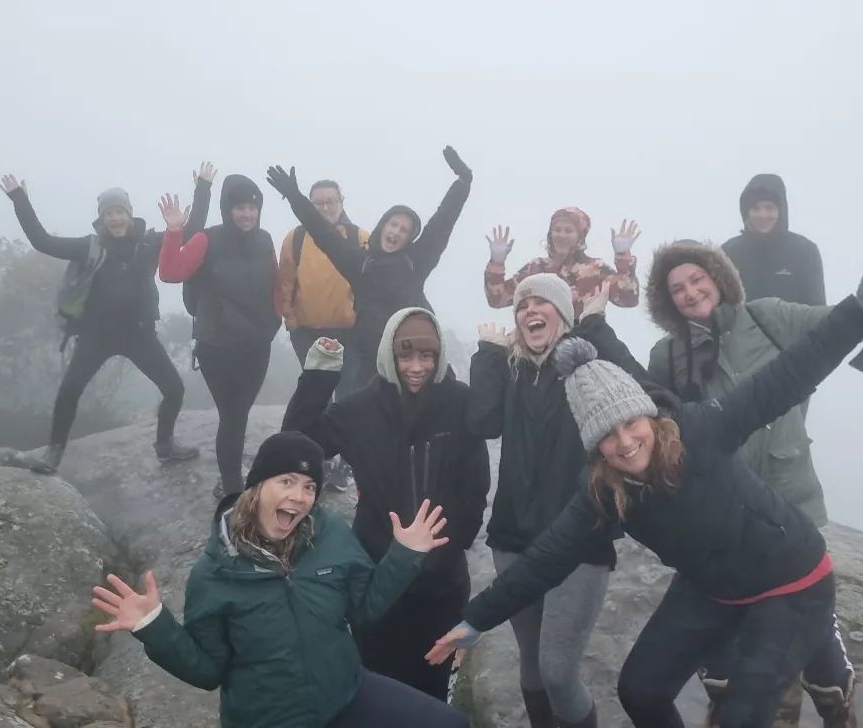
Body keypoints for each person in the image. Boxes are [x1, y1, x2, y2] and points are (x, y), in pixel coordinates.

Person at [430, 230, 863, 728]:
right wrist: (474, 620)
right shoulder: (606, 494)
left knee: (743, 712)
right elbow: (542, 562)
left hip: (792, 583)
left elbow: (799, 368)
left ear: (648, 417)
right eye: (608, 438)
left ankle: (830, 693)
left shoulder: (704, 428)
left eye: (631, 424)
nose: (626, 443)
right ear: (596, 450)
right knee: (639, 691)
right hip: (711, 589)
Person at [646, 227, 863, 726]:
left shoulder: (767, 317)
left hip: (788, 498)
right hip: (724, 510)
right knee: (748, 627)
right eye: (677, 288)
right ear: (667, 301)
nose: (689, 293)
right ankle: (757, 701)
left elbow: (847, 321)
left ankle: (834, 695)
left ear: (718, 278)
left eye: (696, 279)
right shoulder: (667, 356)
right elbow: (655, 423)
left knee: (800, 615)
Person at [90, 431, 470, 728]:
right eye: (286, 481)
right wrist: (154, 626)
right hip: (270, 719)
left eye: (309, 487)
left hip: (346, 693)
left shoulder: (330, 534)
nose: (300, 497)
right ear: (257, 487)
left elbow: (364, 609)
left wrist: (403, 556)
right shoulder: (214, 573)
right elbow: (207, 671)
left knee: (450, 724)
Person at [465, 274, 652, 728]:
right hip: (512, 536)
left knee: (557, 669)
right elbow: (483, 422)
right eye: (522, 305)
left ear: (563, 316)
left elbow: (642, 391)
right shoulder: (509, 368)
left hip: (578, 540)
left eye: (541, 302)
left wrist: (595, 327)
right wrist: (487, 356)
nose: (530, 310)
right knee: (531, 661)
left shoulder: (583, 370)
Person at [282, 310, 491, 701]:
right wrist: (319, 376)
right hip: (375, 575)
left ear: (439, 356)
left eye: (427, 357)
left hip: (442, 581)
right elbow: (297, 444)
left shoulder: (458, 402)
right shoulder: (360, 409)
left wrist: (455, 542)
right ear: (388, 356)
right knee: (379, 684)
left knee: (432, 683)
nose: (416, 368)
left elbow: (475, 484)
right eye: (405, 357)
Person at [0, 173, 197, 473]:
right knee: (69, 391)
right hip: (96, 336)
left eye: (120, 212)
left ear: (130, 214)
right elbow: (42, 242)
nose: (115, 218)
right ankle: (53, 453)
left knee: (174, 389)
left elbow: (190, 234)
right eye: (109, 213)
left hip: (139, 334)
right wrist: (20, 199)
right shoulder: (89, 246)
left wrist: (200, 192)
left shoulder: (148, 242)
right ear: (102, 218)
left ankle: (165, 446)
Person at [265, 146, 472, 393]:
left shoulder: (417, 261)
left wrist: (463, 182)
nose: (395, 232)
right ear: (383, 226)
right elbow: (324, 234)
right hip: (373, 362)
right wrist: (294, 197)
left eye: (404, 230)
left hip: (415, 357)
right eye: (393, 224)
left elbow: (442, 221)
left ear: (409, 239)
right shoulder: (360, 264)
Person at [158, 171, 282, 499]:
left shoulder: (265, 239)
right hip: (218, 346)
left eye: (252, 207)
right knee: (233, 414)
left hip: (257, 344)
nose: (247, 214)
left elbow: (276, 282)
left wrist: (276, 321)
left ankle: (229, 481)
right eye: (240, 207)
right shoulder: (207, 239)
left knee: (238, 414)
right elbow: (171, 272)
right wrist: (174, 231)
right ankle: (230, 487)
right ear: (228, 209)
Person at [277, 178, 369, 381]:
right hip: (306, 332)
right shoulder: (296, 237)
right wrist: (289, 317)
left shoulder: (360, 237)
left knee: (348, 397)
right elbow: (285, 280)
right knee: (316, 395)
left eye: (331, 201)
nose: (325, 207)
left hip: (351, 332)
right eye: (318, 203)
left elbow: (372, 286)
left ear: (341, 201)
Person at [483, 208, 642, 319]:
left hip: (583, 348)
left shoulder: (595, 269)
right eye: (557, 229)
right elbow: (497, 299)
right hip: (538, 348)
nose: (561, 235)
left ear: (580, 236)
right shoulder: (535, 269)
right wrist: (497, 262)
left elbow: (628, 299)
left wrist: (623, 257)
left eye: (568, 230)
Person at [721, 174, 826, 306]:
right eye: (755, 208)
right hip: (740, 327)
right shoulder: (728, 253)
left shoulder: (805, 251)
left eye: (769, 208)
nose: (762, 215)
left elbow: (816, 310)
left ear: (781, 211)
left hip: (793, 326)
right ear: (746, 212)